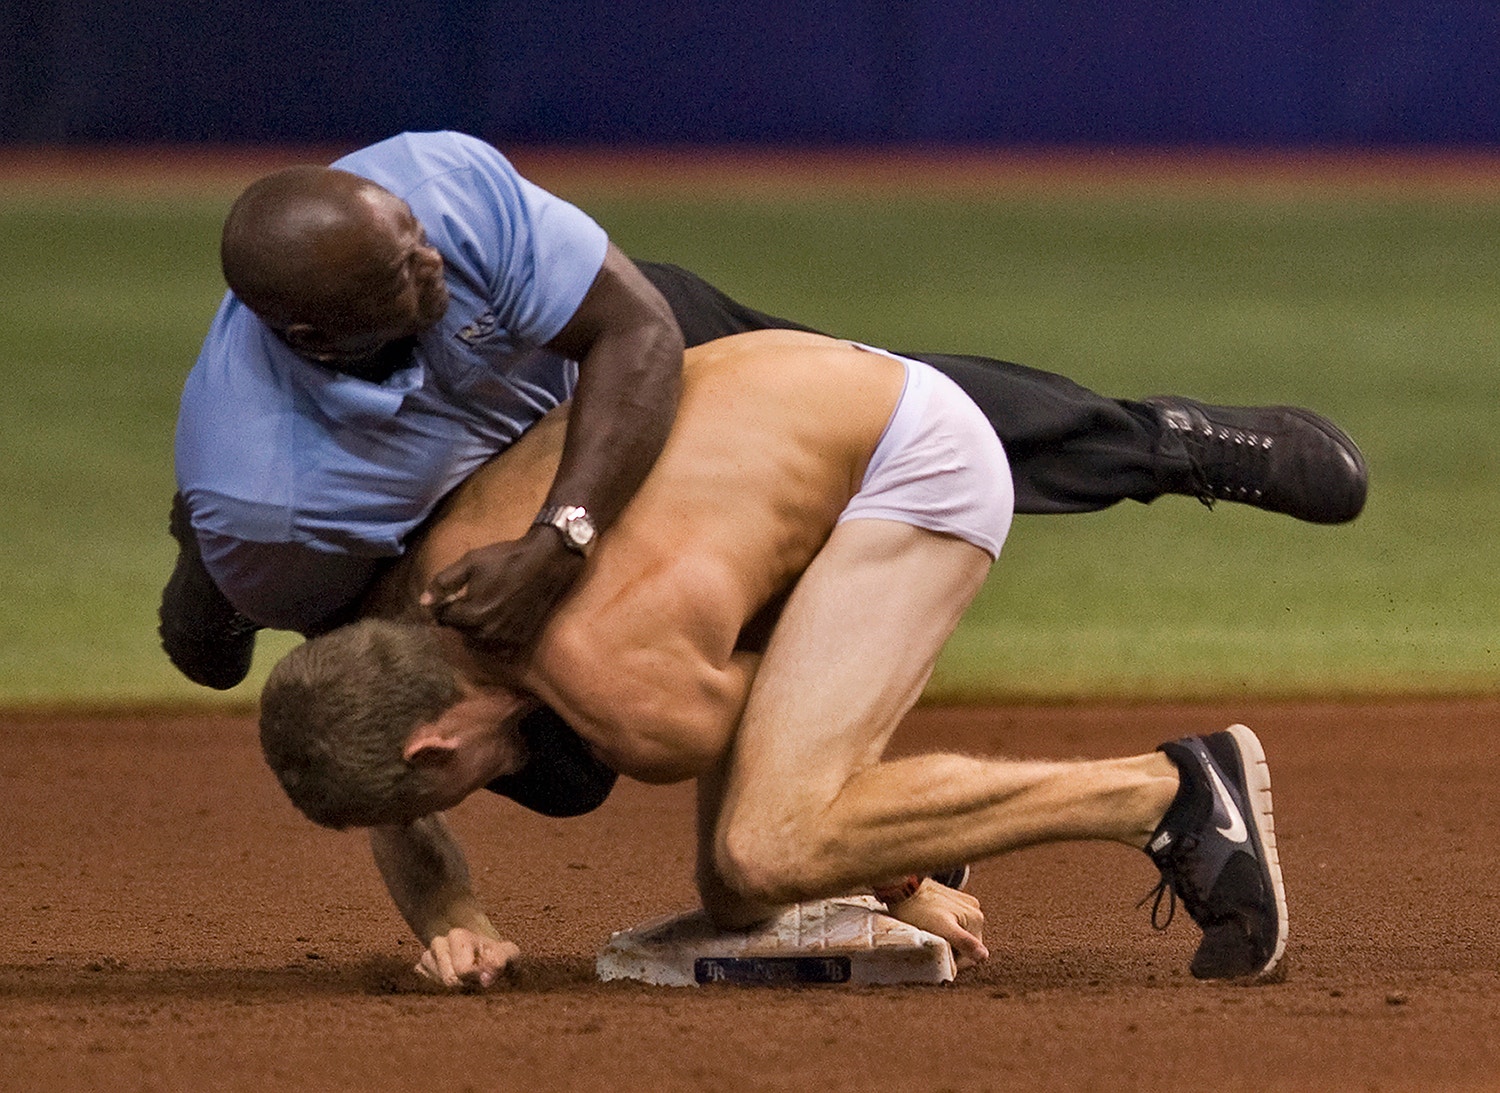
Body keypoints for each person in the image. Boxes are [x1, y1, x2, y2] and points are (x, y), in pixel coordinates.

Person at [165, 130, 1369, 698]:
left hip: (598, 374)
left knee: (871, 403)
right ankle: (198, 580)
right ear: (316, 334)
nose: (434, 264)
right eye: (405, 280)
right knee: (538, 739)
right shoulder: (271, 496)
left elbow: (634, 332)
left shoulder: (429, 189)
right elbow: (358, 647)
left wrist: (565, 537)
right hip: (400, 505)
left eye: (422, 245)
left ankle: (1164, 446)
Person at [259, 330, 1288, 989]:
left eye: (419, 796)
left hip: (911, 459)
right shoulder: (426, 590)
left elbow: (795, 727)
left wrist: (896, 875)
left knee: (769, 851)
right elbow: (394, 755)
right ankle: (919, 835)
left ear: (436, 741)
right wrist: (450, 914)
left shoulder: (611, 682)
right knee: (746, 891)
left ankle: (1167, 794)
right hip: (782, 390)